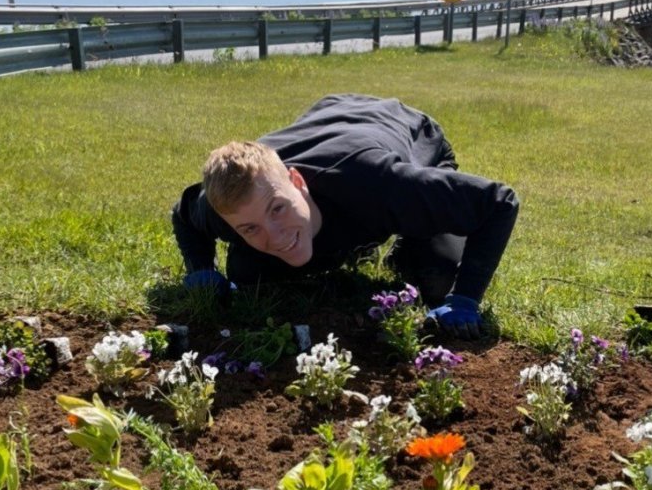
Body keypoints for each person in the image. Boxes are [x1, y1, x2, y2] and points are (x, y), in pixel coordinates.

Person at [171, 93, 519, 337]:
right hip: (328, 117)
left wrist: (466, 297)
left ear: (296, 181)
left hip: (410, 136)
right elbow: (183, 213)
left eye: (278, 208)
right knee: (249, 273)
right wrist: (200, 268)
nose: (275, 235)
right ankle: (342, 239)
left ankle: (401, 238)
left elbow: (498, 202)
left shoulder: (379, 183)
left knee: (437, 278)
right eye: (249, 228)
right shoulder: (226, 205)